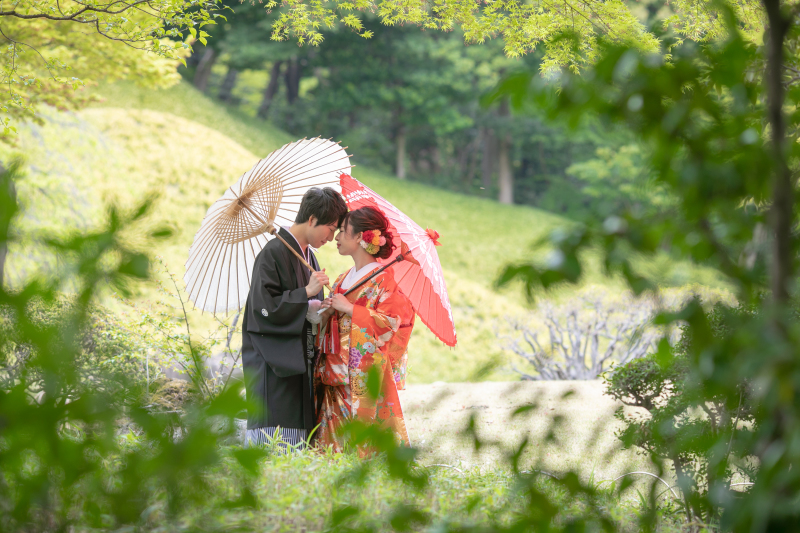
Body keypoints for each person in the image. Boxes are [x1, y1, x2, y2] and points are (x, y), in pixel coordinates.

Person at [241, 187, 348, 448]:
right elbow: (263, 310)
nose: (332, 237)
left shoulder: (308, 255)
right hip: (274, 366)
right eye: (331, 228)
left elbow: (308, 311)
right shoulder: (272, 253)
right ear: (312, 219)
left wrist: (320, 309)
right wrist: (305, 293)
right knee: (275, 445)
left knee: (300, 445)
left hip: (301, 362)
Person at [315, 206, 415, 452]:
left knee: (365, 442)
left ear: (360, 237)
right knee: (332, 442)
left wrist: (350, 309)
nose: (336, 237)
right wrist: (327, 311)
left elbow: (391, 324)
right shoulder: (341, 279)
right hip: (335, 371)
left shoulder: (384, 281)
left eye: (342, 231)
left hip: (363, 372)